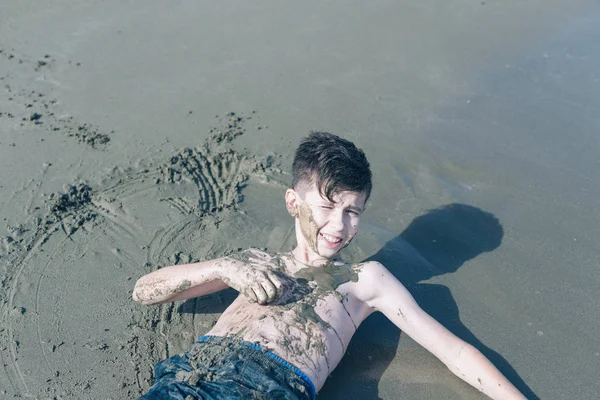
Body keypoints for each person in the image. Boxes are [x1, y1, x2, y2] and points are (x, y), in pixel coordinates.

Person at [133, 132, 526, 399]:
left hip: (273, 384)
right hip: (190, 375)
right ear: (293, 202)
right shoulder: (253, 262)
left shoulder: (365, 279)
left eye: (353, 211)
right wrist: (221, 268)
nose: (339, 225)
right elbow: (145, 291)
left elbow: (454, 353)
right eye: (327, 207)